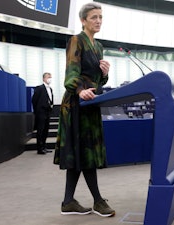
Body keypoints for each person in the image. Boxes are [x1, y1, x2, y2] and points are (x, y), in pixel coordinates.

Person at [53, 3, 115, 217]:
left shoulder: (98, 47)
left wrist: (105, 74)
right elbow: (71, 75)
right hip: (76, 104)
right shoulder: (76, 40)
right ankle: (98, 201)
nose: (98, 20)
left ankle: (68, 201)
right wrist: (80, 90)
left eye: (100, 17)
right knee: (84, 151)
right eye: (93, 17)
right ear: (83, 20)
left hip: (90, 104)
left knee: (80, 153)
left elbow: (97, 79)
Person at [32, 72, 54, 155]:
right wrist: (37, 111)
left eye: (51, 77)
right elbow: (34, 100)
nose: (50, 79)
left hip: (48, 112)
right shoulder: (39, 88)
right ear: (44, 78)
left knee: (46, 130)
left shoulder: (50, 89)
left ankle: (44, 146)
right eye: (48, 77)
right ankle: (39, 148)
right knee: (40, 130)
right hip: (41, 112)